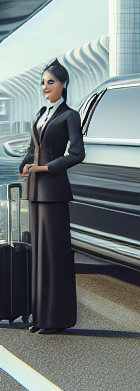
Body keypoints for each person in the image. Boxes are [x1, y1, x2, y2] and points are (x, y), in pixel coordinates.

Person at [19, 59, 85, 334]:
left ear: (64, 84)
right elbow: (31, 147)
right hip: (36, 190)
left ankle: (56, 319)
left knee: (54, 255)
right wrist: (24, 164)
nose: (45, 87)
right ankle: (40, 316)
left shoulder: (70, 115)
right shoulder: (40, 113)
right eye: (43, 82)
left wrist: (48, 167)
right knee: (39, 255)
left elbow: (77, 153)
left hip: (54, 192)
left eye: (51, 82)